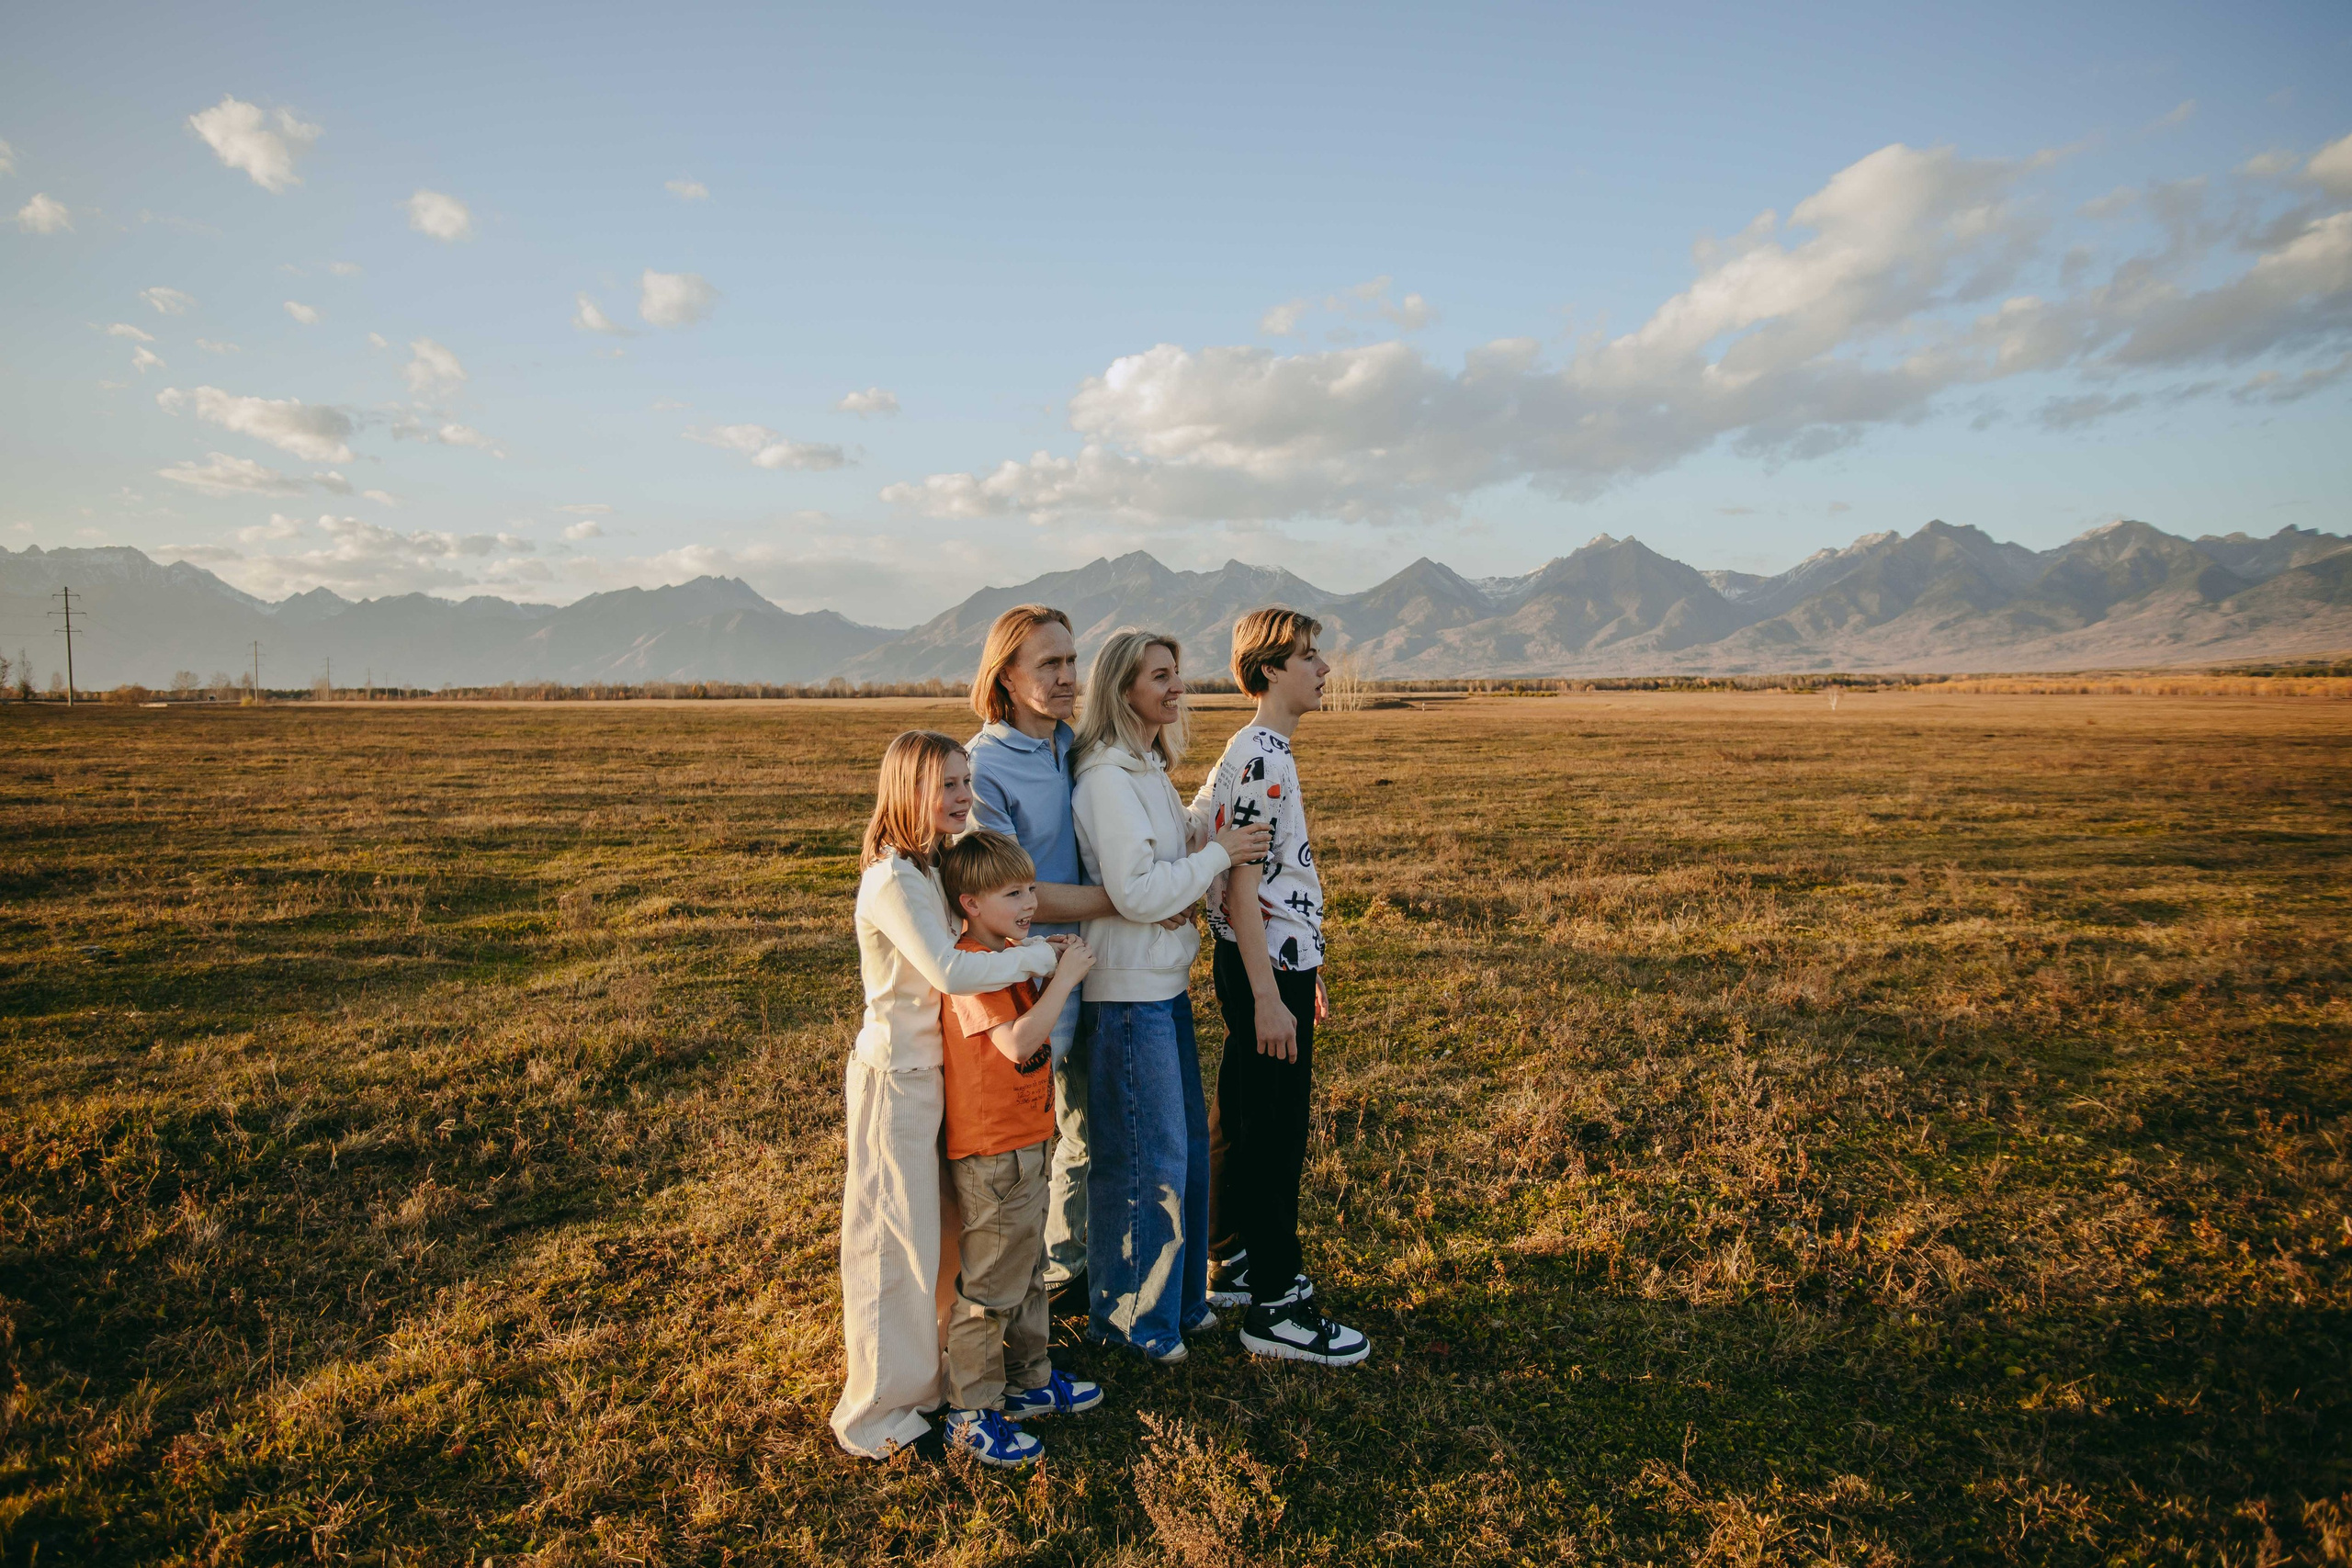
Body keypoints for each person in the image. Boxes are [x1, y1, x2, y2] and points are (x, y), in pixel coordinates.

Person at [830, 731, 1062, 1461]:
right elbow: (949, 969)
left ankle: (934, 1383)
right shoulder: (892, 879)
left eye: (966, 781)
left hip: (935, 1078)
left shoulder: (928, 866)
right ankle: (875, 1413)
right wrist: (1041, 957)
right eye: (949, 785)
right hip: (895, 1077)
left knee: (940, 1239)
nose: (964, 796)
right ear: (908, 790)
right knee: (890, 1245)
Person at [1069, 630, 1270, 1362]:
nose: (1176, 684)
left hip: (1164, 983)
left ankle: (1181, 1305)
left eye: (1177, 672)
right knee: (1143, 1163)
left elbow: (1165, 863)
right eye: (1161, 675)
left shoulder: (1148, 768)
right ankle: (1131, 1323)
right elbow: (1136, 889)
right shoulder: (1106, 777)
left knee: (1182, 1152)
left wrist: (1204, 830)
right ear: (1124, 689)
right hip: (1124, 996)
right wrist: (1219, 855)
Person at [1195, 608, 1371, 1366]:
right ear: (1270, 669)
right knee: (1277, 1133)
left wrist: (1305, 967)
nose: (1324, 669)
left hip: (1269, 957)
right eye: (1310, 656)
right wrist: (1272, 994)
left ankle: (1231, 1259)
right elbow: (1241, 883)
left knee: (1241, 1110)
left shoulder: (1254, 748)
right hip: (1263, 964)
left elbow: (1264, 884)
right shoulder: (1265, 756)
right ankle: (1277, 1303)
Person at [933, 829, 1107, 1466]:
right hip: (994, 1152)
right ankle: (971, 1410)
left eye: (1032, 887)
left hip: (1027, 1139)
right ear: (971, 903)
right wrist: (1064, 977)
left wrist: (1042, 954)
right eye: (1013, 892)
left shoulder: (1007, 951)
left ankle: (1030, 1380)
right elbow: (1016, 1043)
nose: (1030, 901)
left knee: (1028, 1268)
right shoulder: (973, 965)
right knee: (991, 1286)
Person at [965, 605, 1117, 1308]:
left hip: (1091, 966)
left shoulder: (1077, 745)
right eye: (1048, 664)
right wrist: (1124, 898)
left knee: (1085, 1128)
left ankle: (1066, 1273)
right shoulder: (981, 767)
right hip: (1024, 982)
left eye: (1071, 660)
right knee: (1029, 1147)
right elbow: (1006, 895)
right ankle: (1011, 1296)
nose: (1067, 677)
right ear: (1007, 675)